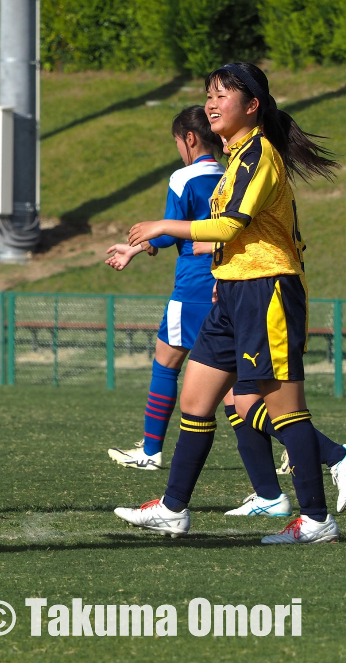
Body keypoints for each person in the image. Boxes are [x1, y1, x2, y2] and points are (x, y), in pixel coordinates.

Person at [115, 63, 346, 544]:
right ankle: (174, 508)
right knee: (196, 401)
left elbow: (227, 227)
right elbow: (222, 238)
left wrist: (161, 227)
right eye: (208, 95)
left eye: (223, 95)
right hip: (232, 292)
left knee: (284, 410)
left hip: (267, 291)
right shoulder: (237, 157)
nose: (211, 103)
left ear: (253, 106)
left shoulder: (258, 154)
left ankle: (317, 518)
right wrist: (155, 249)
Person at [103, 107, 224, 471]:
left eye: (177, 141)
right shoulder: (232, 173)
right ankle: (301, 447)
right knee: (237, 389)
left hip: (193, 286)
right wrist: (140, 248)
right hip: (231, 283)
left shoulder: (184, 177)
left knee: (166, 362)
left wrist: (137, 247)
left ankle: (151, 450)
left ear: (189, 138)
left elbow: (171, 232)